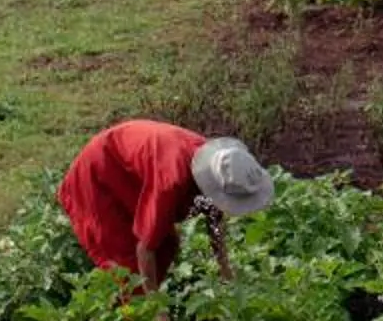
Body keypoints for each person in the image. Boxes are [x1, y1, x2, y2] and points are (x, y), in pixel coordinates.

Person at [57, 120, 276, 287]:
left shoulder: (213, 165)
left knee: (167, 246)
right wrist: (155, 307)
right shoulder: (171, 182)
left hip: (130, 175)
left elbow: (214, 219)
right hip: (98, 176)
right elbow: (145, 248)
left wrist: (225, 271)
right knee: (128, 269)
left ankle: (137, 317)